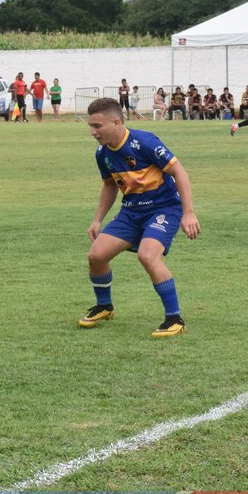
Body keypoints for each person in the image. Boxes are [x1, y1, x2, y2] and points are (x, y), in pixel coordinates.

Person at [78, 97, 199, 337]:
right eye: (90, 126)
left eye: (97, 126)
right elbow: (109, 185)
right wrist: (97, 219)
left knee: (147, 255)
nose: (93, 132)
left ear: (116, 122)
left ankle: (175, 319)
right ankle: (104, 306)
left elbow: (179, 171)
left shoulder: (144, 142)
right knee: (96, 256)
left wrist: (188, 212)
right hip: (131, 211)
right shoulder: (102, 153)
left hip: (163, 208)